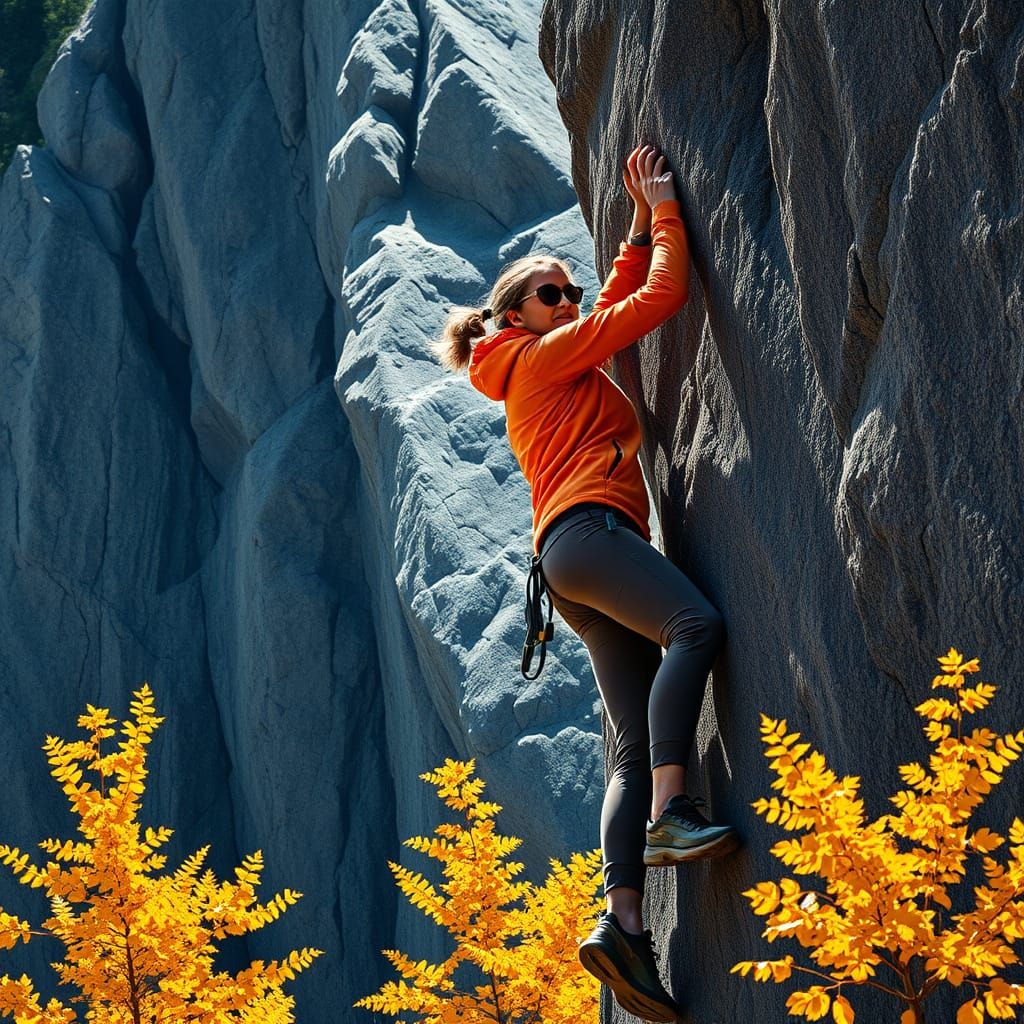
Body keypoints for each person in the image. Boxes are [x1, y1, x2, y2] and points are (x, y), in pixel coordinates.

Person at [432, 144, 738, 1022]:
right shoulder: (543, 359)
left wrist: (635, 231)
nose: (569, 302)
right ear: (516, 316)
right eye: (551, 294)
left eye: (569, 290)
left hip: (567, 567)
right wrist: (668, 214)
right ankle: (673, 811)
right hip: (592, 535)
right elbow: (655, 303)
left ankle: (623, 926)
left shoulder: (532, 362)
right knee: (694, 628)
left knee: (628, 750)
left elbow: (609, 308)